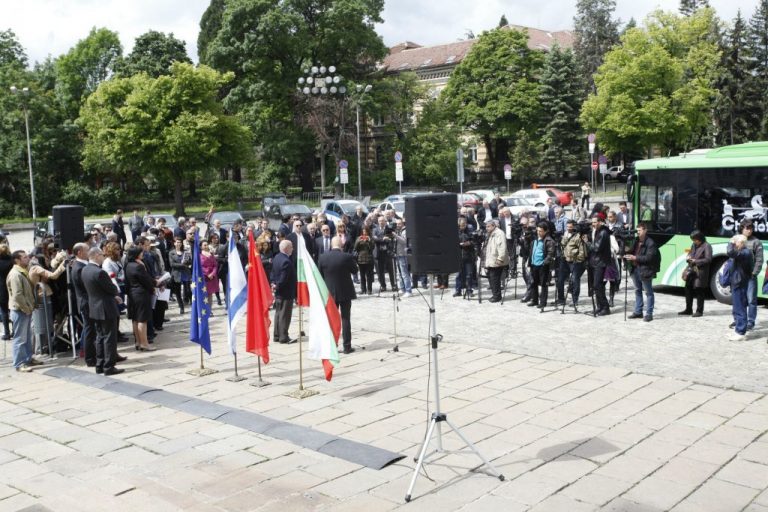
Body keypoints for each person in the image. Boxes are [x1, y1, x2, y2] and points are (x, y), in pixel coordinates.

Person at [81, 247, 125, 375]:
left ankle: (100, 364)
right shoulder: (99, 272)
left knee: (100, 337)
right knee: (109, 338)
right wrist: (115, 291)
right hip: (106, 308)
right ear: (96, 255)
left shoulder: (85, 269)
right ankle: (108, 366)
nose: (103, 257)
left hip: (95, 307)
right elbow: (112, 288)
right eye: (101, 255)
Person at [319, 237, 359, 354]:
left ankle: (332, 345)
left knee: (331, 319)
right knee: (345, 319)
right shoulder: (346, 257)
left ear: (331, 245)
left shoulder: (323, 257)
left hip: (330, 292)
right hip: (345, 291)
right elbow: (355, 270)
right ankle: (347, 346)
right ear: (341, 244)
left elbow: (320, 275)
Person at [6, 250, 44, 372]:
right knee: (20, 338)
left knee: (27, 337)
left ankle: (28, 358)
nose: (28, 258)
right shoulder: (15, 274)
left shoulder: (22, 271)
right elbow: (17, 295)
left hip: (25, 310)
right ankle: (19, 363)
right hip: (20, 310)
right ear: (17, 260)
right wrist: (26, 308)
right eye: (25, 257)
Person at [625, 222, 660, 322]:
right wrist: (626, 252)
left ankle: (649, 314)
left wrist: (635, 257)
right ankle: (638, 312)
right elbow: (631, 251)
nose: (638, 232)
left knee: (649, 292)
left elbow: (649, 258)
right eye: (637, 230)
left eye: (640, 230)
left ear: (645, 230)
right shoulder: (636, 240)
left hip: (645, 270)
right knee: (637, 290)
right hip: (635, 269)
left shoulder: (650, 243)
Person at [125, 246, 157, 351]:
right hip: (141, 295)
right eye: (141, 252)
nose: (142, 254)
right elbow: (146, 280)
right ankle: (144, 343)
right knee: (142, 320)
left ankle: (138, 342)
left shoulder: (128, 265)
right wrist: (153, 287)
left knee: (135, 319)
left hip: (132, 294)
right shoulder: (138, 266)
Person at [72, 243, 98, 366]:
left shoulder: (83, 265)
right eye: (87, 250)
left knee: (91, 329)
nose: (89, 252)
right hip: (86, 302)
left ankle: (93, 354)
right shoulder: (79, 267)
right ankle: (90, 358)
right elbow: (87, 286)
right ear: (79, 252)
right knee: (89, 330)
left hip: (89, 301)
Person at [679, 230, 712, 317]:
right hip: (691, 270)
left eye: (695, 240)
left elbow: (708, 259)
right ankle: (688, 309)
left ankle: (699, 311)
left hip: (700, 271)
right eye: (693, 240)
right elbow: (691, 253)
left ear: (700, 238)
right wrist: (688, 257)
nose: (694, 241)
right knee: (688, 289)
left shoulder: (707, 246)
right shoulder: (694, 245)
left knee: (699, 290)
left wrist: (696, 261)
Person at [727, 234, 754, 341]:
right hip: (737, 282)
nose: (734, 244)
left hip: (740, 282)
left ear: (742, 243)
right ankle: (738, 330)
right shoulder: (742, 252)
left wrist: (730, 242)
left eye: (736, 242)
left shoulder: (746, 252)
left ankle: (740, 332)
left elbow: (730, 252)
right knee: (737, 307)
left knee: (740, 307)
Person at [585, 213, 612, 316]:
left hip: (600, 263)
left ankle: (605, 307)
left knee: (598, 285)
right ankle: (599, 307)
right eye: (592, 222)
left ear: (600, 222)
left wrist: (587, 242)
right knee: (596, 286)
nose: (593, 224)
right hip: (595, 262)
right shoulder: (597, 231)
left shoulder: (603, 232)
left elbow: (596, 248)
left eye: (595, 222)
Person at [739, 220, 763, 331]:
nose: (749, 230)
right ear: (742, 229)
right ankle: (740, 320)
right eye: (747, 228)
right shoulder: (737, 239)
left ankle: (750, 322)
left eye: (751, 228)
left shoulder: (756, 242)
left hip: (750, 276)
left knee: (751, 300)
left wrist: (754, 273)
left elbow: (759, 260)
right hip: (738, 275)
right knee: (740, 299)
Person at [271, 240, 296, 344]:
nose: (292, 249)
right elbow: (284, 278)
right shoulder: (287, 261)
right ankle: (283, 337)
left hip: (278, 291)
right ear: (286, 249)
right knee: (285, 315)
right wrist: (277, 285)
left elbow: (272, 273)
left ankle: (277, 335)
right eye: (291, 247)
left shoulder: (277, 257)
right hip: (286, 292)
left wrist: (273, 284)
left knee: (278, 313)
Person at [528, 221, 556, 310]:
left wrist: (544, 263)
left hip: (543, 266)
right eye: (537, 230)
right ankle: (534, 300)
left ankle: (543, 302)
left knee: (543, 284)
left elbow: (551, 254)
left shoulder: (549, 240)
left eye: (540, 231)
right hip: (534, 264)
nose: (538, 232)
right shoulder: (535, 239)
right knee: (533, 283)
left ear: (546, 231)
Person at [558, 220, 587, 307]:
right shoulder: (566, 234)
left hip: (574, 262)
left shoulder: (578, 236)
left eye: (570, 227)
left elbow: (582, 251)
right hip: (565, 260)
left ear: (574, 227)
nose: (569, 229)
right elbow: (563, 245)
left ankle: (575, 300)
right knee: (560, 279)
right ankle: (561, 299)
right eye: (567, 227)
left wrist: (578, 260)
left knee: (575, 280)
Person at [484, 220, 509, 303]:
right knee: (493, 278)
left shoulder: (499, 233)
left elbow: (502, 247)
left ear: (493, 226)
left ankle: (497, 296)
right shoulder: (491, 233)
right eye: (486, 226)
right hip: (492, 260)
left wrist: (500, 258)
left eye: (488, 226)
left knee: (494, 279)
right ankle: (495, 295)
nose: (486, 228)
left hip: (496, 260)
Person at [373, 216, 396, 292]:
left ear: (385, 221)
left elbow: (392, 238)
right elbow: (374, 239)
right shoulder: (375, 230)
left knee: (391, 270)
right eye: (380, 221)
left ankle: (393, 285)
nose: (381, 222)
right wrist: (383, 239)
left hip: (387, 252)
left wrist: (383, 239)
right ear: (378, 221)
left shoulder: (389, 229)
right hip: (379, 253)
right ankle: (383, 286)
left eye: (383, 221)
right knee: (380, 271)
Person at [169, 238, 192, 314]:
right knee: (178, 292)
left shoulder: (185, 252)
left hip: (185, 273)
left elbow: (190, 261)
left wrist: (187, 262)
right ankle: (181, 307)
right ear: (174, 243)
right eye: (177, 242)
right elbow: (172, 264)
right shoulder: (171, 253)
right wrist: (182, 264)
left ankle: (190, 301)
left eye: (180, 242)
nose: (179, 244)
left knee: (188, 290)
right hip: (177, 274)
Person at [455, 217, 475, 297]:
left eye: (465, 224)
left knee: (469, 274)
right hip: (459, 256)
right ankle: (458, 290)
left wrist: (469, 243)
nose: (463, 226)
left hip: (468, 256)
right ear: (459, 224)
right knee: (459, 275)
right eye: (462, 224)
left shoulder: (470, 231)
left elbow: (474, 241)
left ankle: (469, 290)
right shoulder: (455, 232)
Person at [392, 219, 412, 298]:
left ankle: (408, 291)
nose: (397, 225)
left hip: (403, 255)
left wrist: (396, 236)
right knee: (399, 273)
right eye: (396, 224)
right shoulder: (397, 231)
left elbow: (404, 241)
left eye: (399, 224)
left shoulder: (405, 231)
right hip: (397, 254)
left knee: (404, 274)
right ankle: (403, 288)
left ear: (403, 224)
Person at [354, 227, 375, 296]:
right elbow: (355, 248)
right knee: (362, 275)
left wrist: (369, 240)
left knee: (369, 275)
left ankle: (369, 289)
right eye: (363, 231)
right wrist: (358, 241)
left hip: (369, 259)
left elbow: (372, 248)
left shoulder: (370, 238)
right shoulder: (359, 238)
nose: (364, 233)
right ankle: (363, 289)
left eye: (365, 231)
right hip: (360, 259)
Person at [200, 241, 219, 310]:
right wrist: (207, 274)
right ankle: (204, 309)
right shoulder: (199, 256)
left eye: (207, 244)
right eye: (204, 245)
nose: (206, 246)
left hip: (212, 277)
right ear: (201, 247)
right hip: (204, 277)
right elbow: (200, 267)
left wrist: (212, 274)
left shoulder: (211, 255)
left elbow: (215, 265)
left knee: (210, 294)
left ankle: (209, 310)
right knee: (204, 294)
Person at [0, 243, 12, 341]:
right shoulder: (12, 260)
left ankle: (7, 333)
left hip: (1, 289)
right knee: (13, 310)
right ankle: (15, 331)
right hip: (11, 287)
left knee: (4, 311)